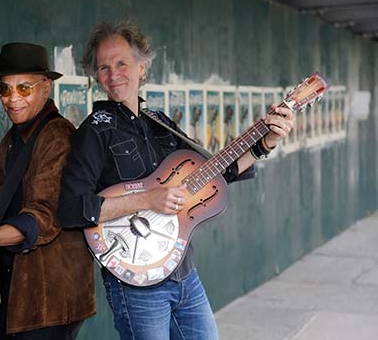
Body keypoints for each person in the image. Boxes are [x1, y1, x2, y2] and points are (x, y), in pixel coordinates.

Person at [57, 22, 294, 340]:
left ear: (141, 68)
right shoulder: (94, 131)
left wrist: (266, 142)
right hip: (136, 283)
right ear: (95, 76)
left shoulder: (160, 123)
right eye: (104, 67)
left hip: (183, 272)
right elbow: (72, 209)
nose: (114, 74)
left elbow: (214, 173)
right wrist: (147, 199)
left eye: (122, 63)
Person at [0, 42, 95, 340]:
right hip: (19, 290)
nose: (12, 99)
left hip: (51, 297)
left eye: (24, 88)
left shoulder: (57, 137)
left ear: (45, 88)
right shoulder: (15, 137)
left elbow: (43, 217)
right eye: (4, 90)